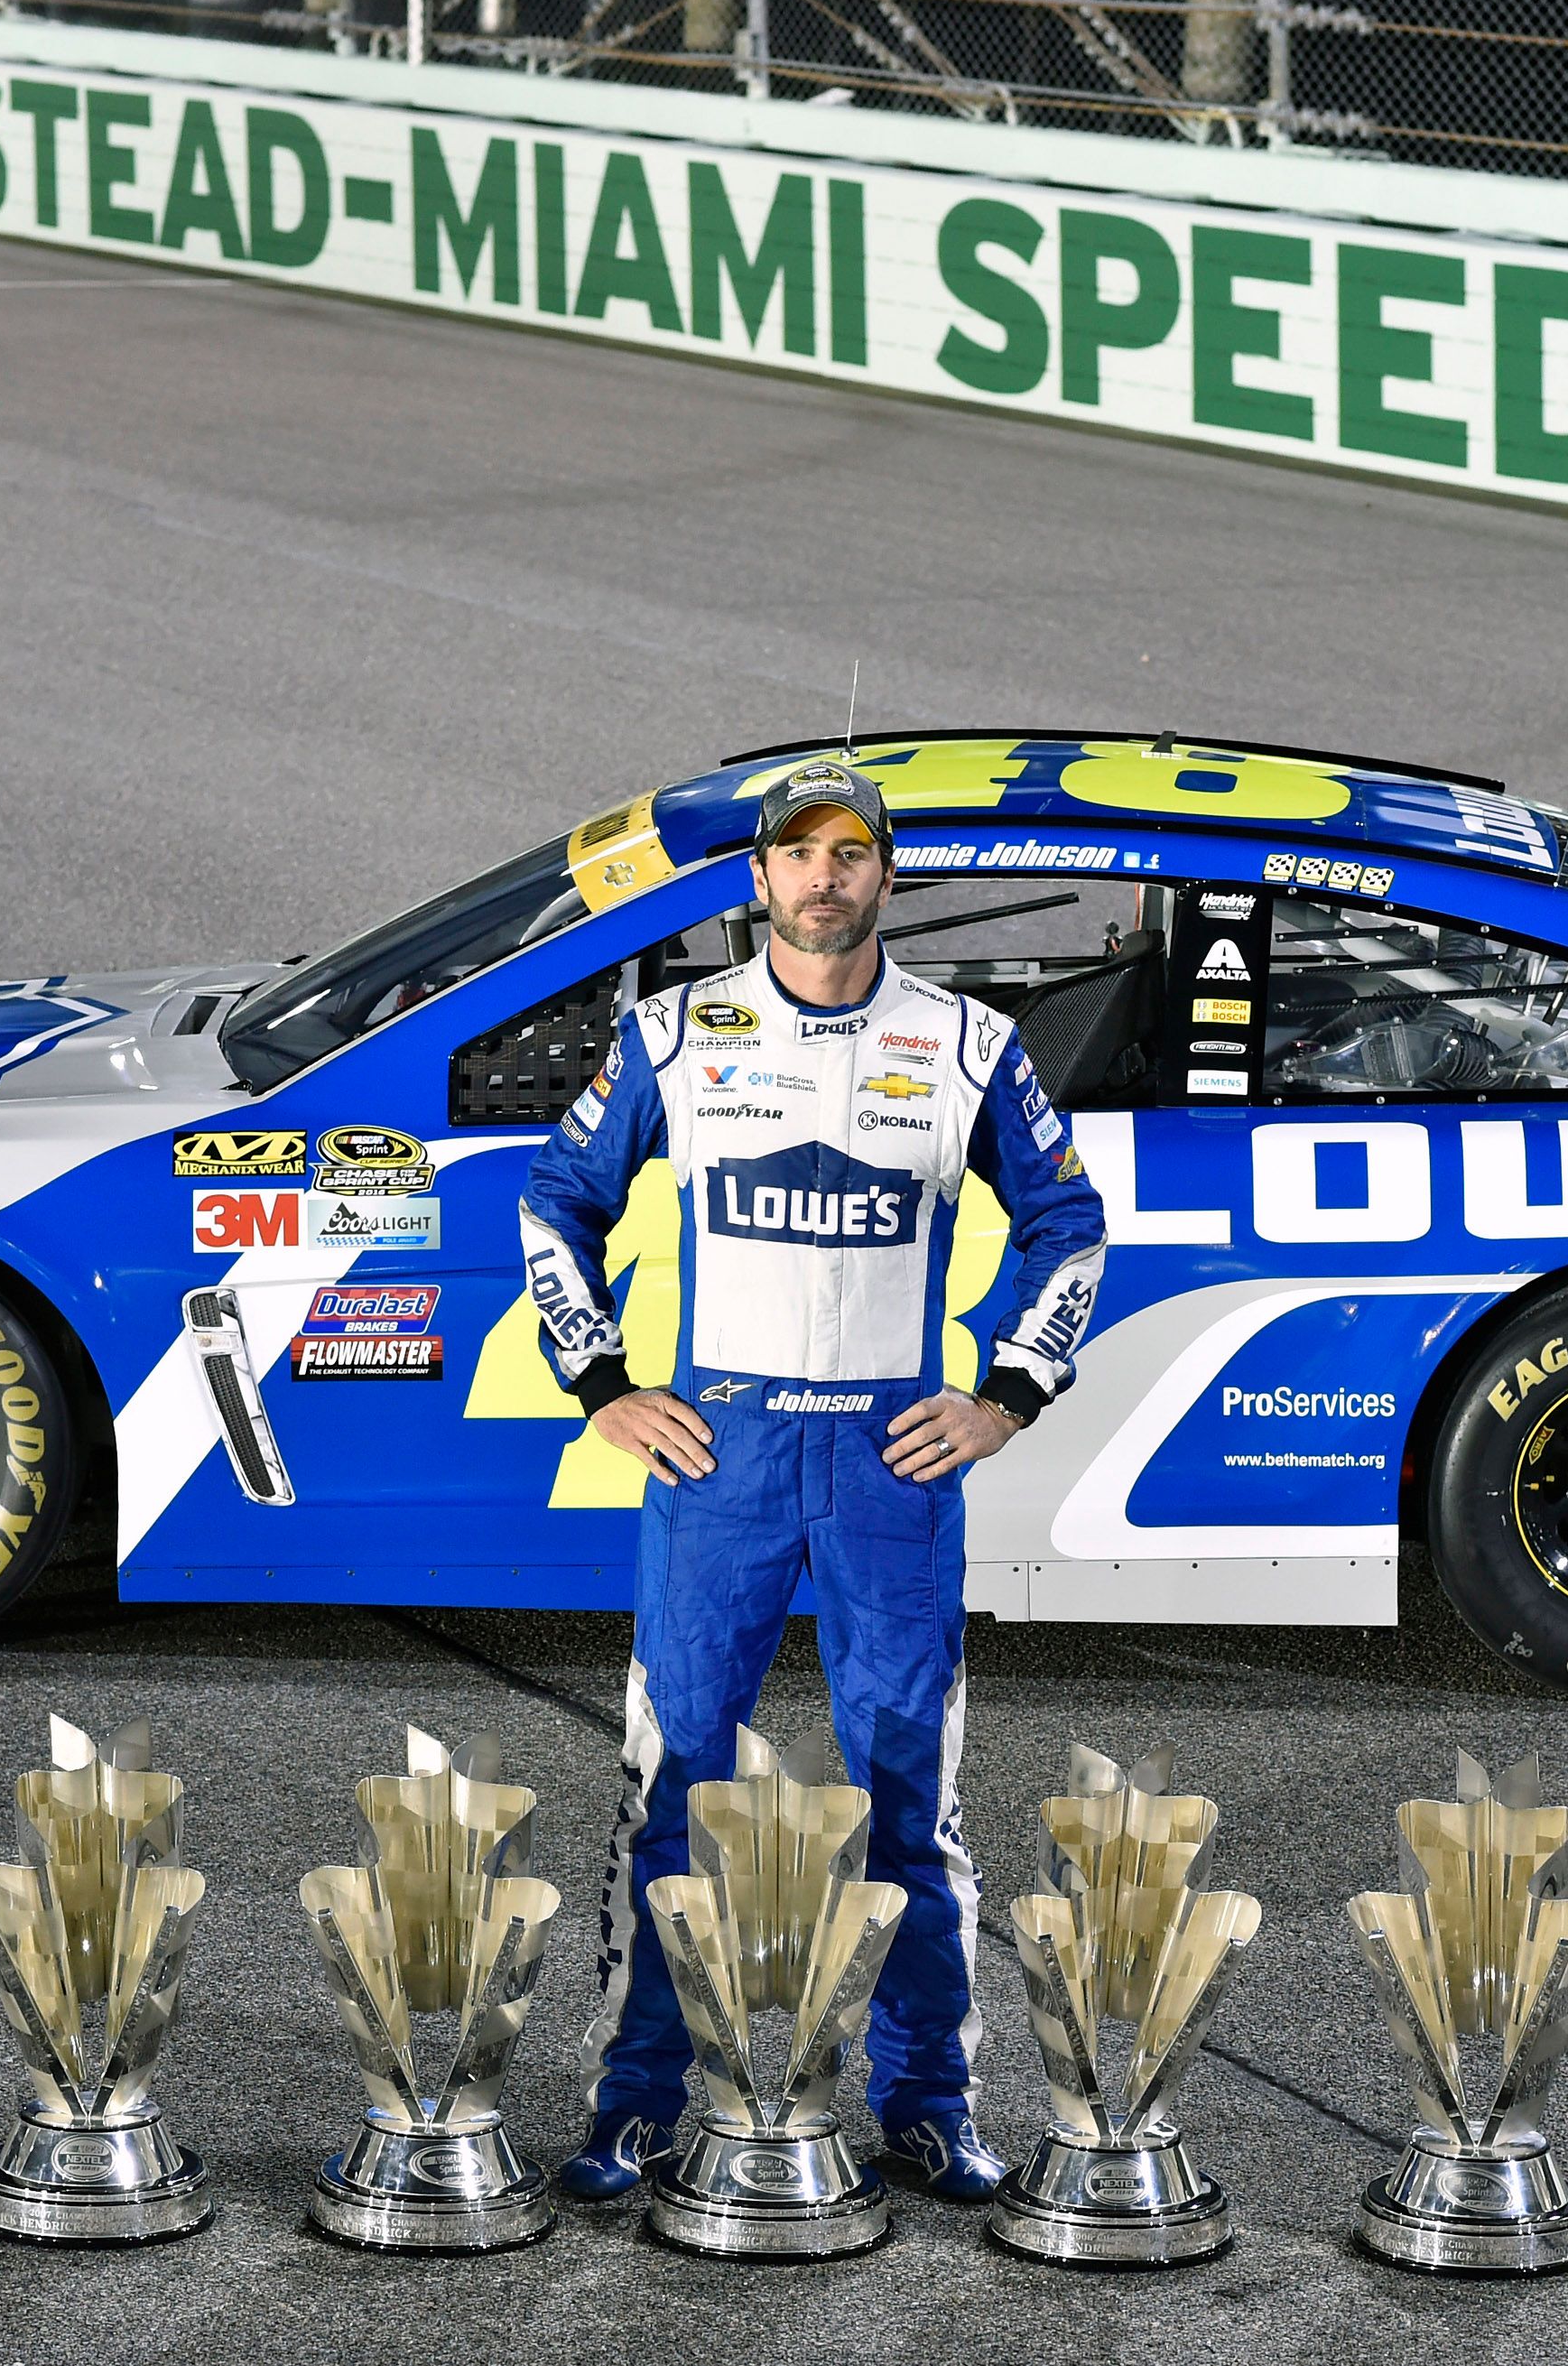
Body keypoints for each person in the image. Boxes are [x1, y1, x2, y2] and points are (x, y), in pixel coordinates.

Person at [517, 757, 1109, 2203]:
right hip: (718, 1458)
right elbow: (557, 1202)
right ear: (760, 877)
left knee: (910, 1798)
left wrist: (1007, 1395)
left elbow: (1071, 1224)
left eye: (851, 851)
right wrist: (602, 1382)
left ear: (887, 874)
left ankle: (929, 2103)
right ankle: (634, 2101)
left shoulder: (968, 1044)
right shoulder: (674, 1033)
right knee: (671, 1790)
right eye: (799, 852)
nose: (824, 875)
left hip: (889, 1468)